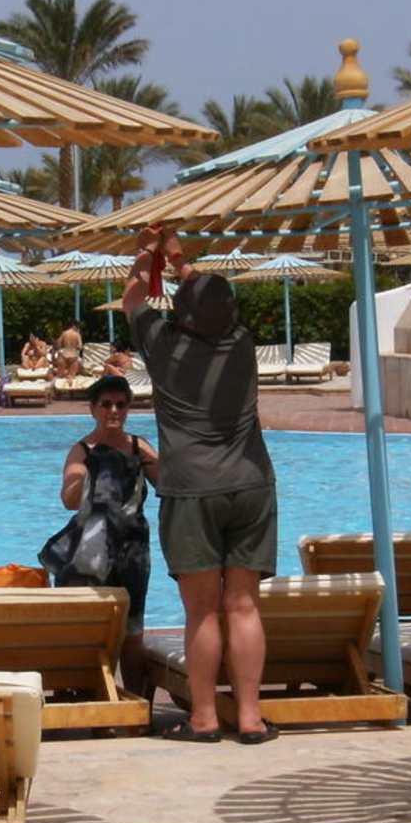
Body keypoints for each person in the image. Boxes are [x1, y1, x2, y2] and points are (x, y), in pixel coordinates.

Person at [123, 224, 278, 744]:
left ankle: (206, 718)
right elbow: (208, 300)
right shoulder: (241, 343)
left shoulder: (163, 344)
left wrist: (147, 253)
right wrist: (179, 258)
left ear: (181, 313)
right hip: (251, 483)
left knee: (202, 610)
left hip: (191, 488)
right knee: (244, 605)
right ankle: (251, 718)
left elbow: (132, 297)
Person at [41, 375, 159, 694]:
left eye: (121, 404)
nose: (114, 411)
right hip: (90, 552)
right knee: (86, 630)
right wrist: (81, 479)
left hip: (133, 552)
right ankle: (82, 696)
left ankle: (137, 703)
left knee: (133, 632)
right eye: (106, 404)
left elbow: (168, 484)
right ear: (93, 408)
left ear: (128, 408)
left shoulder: (139, 447)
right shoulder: (82, 451)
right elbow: (69, 499)